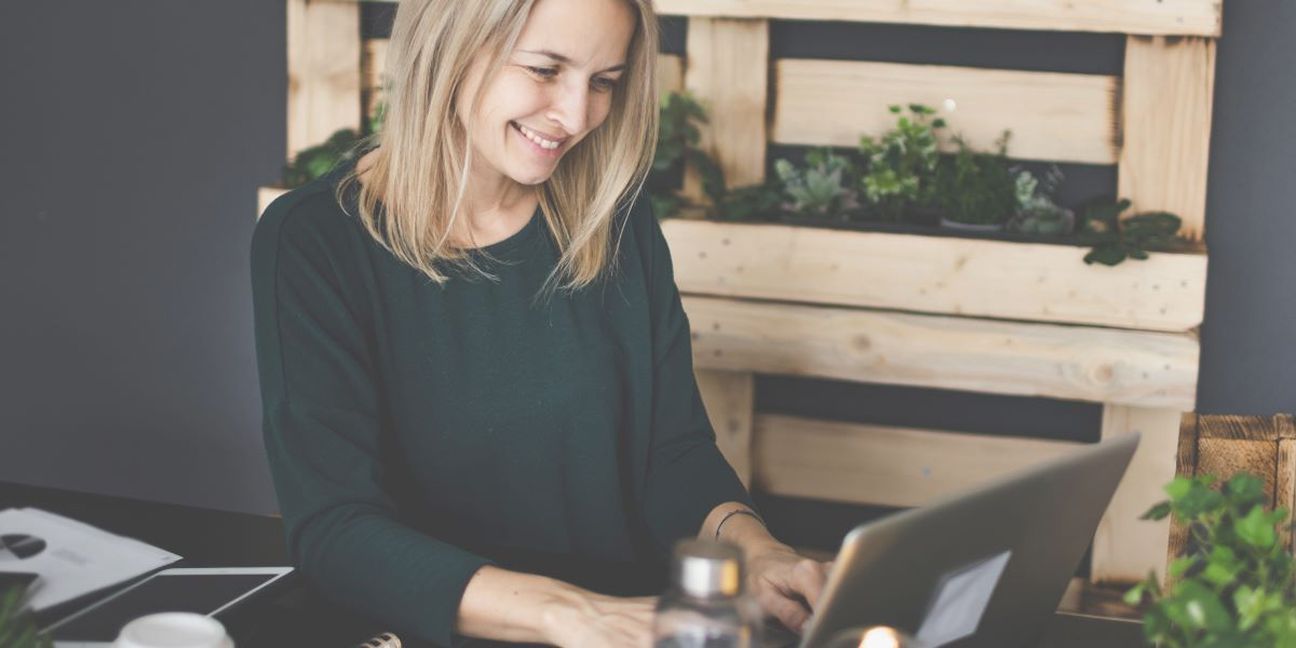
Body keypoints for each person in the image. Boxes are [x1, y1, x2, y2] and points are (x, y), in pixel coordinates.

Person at [250, 0, 830, 645]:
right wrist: (573, 614)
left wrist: (753, 549)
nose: (577, 116)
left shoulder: (616, 218)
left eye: (604, 81)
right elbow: (336, 529)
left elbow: (671, 452)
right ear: (449, 47)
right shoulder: (316, 240)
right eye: (545, 69)